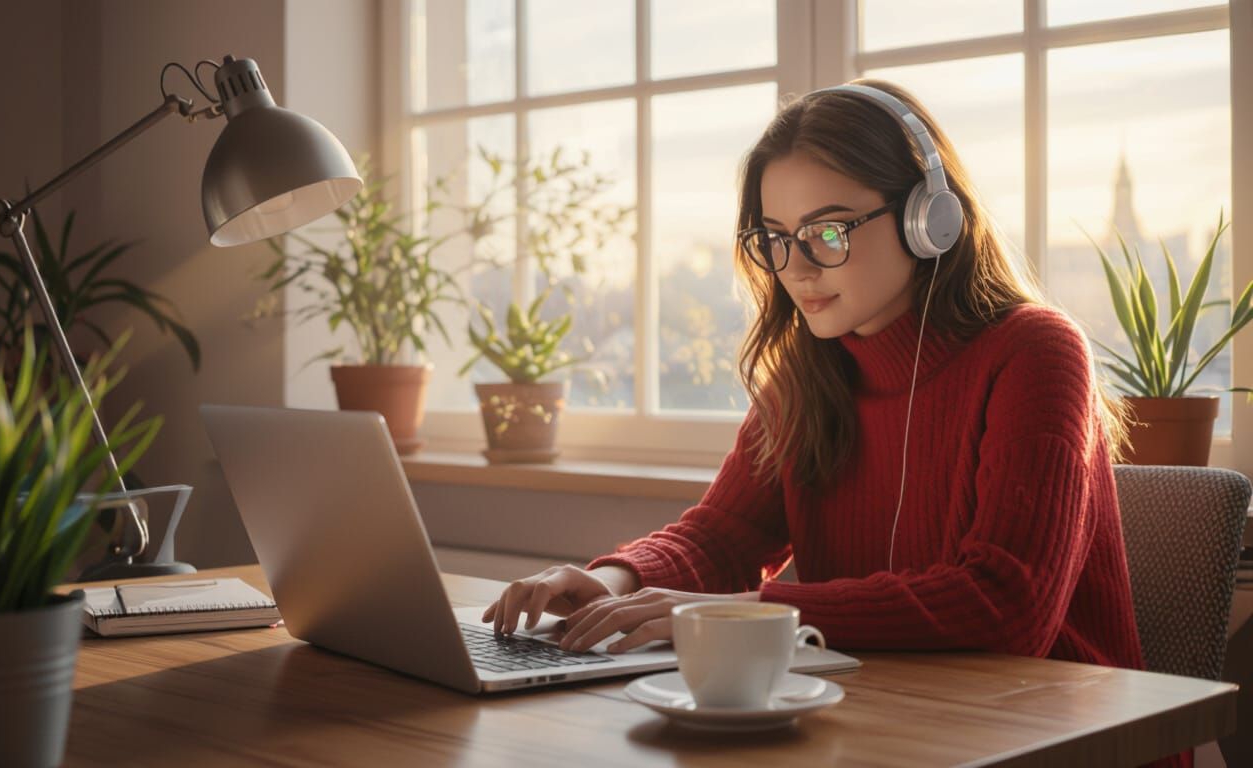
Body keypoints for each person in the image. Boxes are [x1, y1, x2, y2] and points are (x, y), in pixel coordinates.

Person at [483, 77, 1177, 765]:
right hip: (891, 731)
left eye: (830, 230)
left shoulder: (1034, 350)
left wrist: (748, 617)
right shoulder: (807, 373)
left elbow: (1006, 603)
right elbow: (722, 534)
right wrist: (615, 582)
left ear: (928, 217)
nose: (799, 268)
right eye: (776, 238)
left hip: (1062, 738)